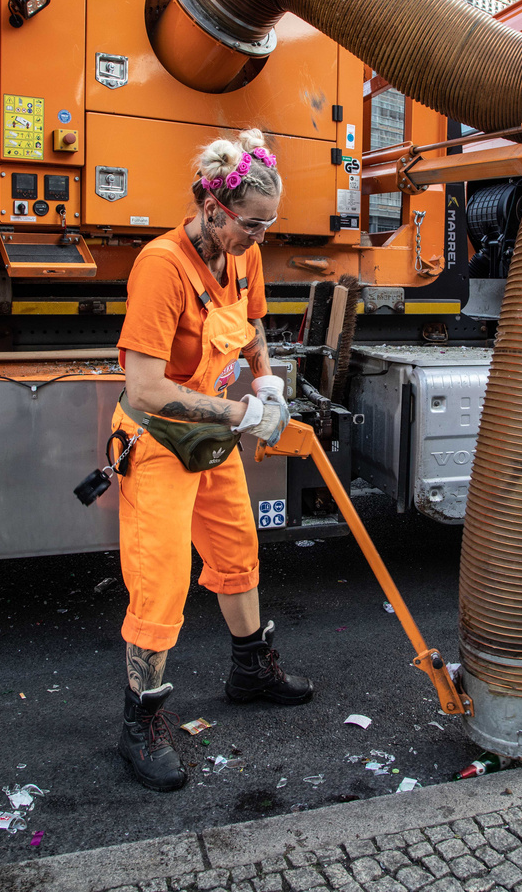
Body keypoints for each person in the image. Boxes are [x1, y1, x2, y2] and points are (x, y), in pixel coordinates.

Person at [111, 128, 313, 792]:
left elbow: (251, 323)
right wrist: (239, 414)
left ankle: (250, 671)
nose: (257, 239)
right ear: (213, 207)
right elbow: (144, 387)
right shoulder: (162, 265)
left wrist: (266, 379)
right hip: (160, 438)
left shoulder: (245, 255)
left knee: (236, 552)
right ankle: (141, 722)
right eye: (250, 227)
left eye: (267, 228)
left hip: (211, 432)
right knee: (161, 578)